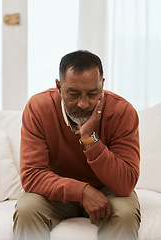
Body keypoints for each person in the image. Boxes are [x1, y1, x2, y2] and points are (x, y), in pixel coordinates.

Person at [13, 50, 141, 240]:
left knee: (125, 214)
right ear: (58, 86)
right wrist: (81, 191)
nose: (83, 104)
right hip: (55, 190)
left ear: (102, 85)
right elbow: (32, 175)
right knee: (26, 209)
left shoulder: (122, 112)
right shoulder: (38, 108)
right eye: (73, 94)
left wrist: (90, 139)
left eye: (92, 93)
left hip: (107, 189)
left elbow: (126, 183)